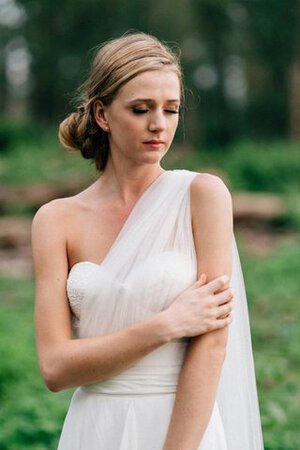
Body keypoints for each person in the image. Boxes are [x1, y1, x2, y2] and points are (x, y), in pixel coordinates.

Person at [32, 32, 264, 449]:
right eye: (141, 109)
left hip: (182, 429)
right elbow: (55, 367)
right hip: (95, 428)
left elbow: (211, 349)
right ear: (102, 114)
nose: (159, 123)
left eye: (170, 109)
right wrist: (166, 325)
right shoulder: (55, 220)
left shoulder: (202, 196)